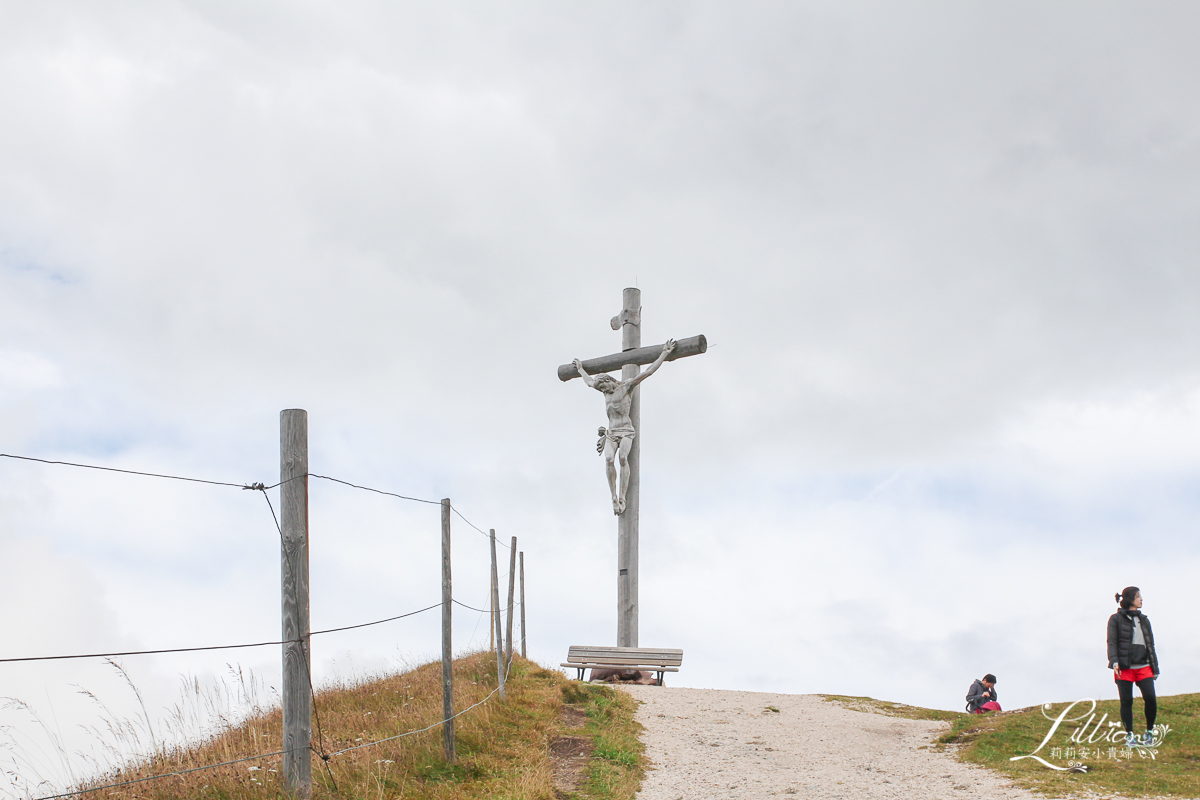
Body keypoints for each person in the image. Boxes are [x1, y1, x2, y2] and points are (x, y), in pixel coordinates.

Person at [572, 338, 677, 515]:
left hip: (626, 431)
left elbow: (648, 372)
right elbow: (589, 382)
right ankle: (613, 497)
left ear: (609, 380)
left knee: (622, 458)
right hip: (612, 432)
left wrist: (664, 353)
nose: (603, 390)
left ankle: (623, 497)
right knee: (608, 460)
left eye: (604, 386)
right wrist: (581, 369)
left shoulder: (626, 386)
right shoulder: (603, 390)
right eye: (601, 389)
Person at [1107, 586, 1159, 748]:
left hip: (1144, 666)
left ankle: (1149, 732)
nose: (1141, 599)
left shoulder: (1144, 620)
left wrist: (1154, 667)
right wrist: (1114, 661)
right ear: (1130, 599)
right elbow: (1112, 642)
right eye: (1138, 596)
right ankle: (1130, 735)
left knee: (1150, 697)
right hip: (1124, 667)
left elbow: (1151, 645)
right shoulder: (1115, 619)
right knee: (1126, 700)